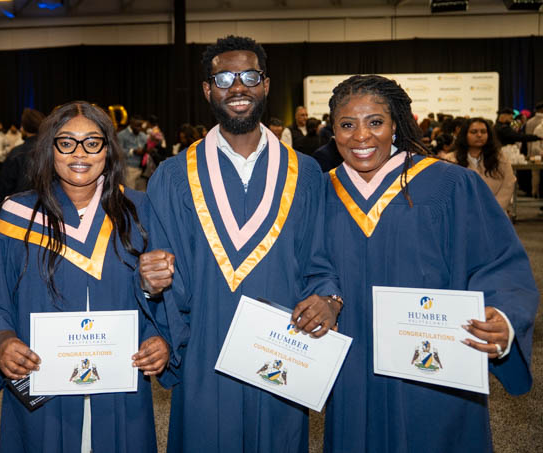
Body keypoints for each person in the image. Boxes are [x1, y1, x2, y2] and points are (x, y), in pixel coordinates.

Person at [141, 35, 342, 453]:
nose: (237, 87)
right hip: (205, 354)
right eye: (224, 78)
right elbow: (163, 280)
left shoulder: (305, 174)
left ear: (265, 85)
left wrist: (328, 299)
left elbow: (321, 260)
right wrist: (152, 286)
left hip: (283, 348)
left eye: (249, 77)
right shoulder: (174, 177)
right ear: (207, 89)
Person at [322, 75, 538, 453]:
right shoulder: (321, 191)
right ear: (333, 131)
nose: (362, 136)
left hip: (434, 363)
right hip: (351, 361)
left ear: (396, 125)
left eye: (376, 122)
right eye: (347, 124)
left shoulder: (450, 185)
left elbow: (499, 260)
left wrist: (503, 315)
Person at [0, 101, 167, 452]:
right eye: (66, 142)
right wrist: (1, 340)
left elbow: (158, 295)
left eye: (92, 142)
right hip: (42, 381)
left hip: (120, 383)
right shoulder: (17, 214)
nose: (80, 153)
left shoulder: (139, 212)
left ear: (108, 150)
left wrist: (157, 339)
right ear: (50, 149)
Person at [448, 117, 516, 211]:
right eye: (474, 132)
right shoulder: (450, 160)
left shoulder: (500, 158)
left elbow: (508, 184)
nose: (479, 135)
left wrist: (493, 209)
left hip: (495, 213)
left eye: (483, 132)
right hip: (462, 213)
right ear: (465, 134)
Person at [0, 108, 45, 201]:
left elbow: (4, 188)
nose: (20, 129)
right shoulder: (52, 150)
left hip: (20, 205)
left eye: (22, 126)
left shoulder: (17, 153)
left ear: (24, 128)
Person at [117, 115, 148, 190]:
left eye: (140, 126)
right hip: (129, 168)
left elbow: (146, 148)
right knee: (130, 193)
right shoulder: (122, 135)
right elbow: (118, 151)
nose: (139, 128)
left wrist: (146, 150)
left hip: (143, 170)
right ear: (131, 124)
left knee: (142, 193)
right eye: (137, 126)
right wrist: (133, 151)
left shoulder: (143, 135)